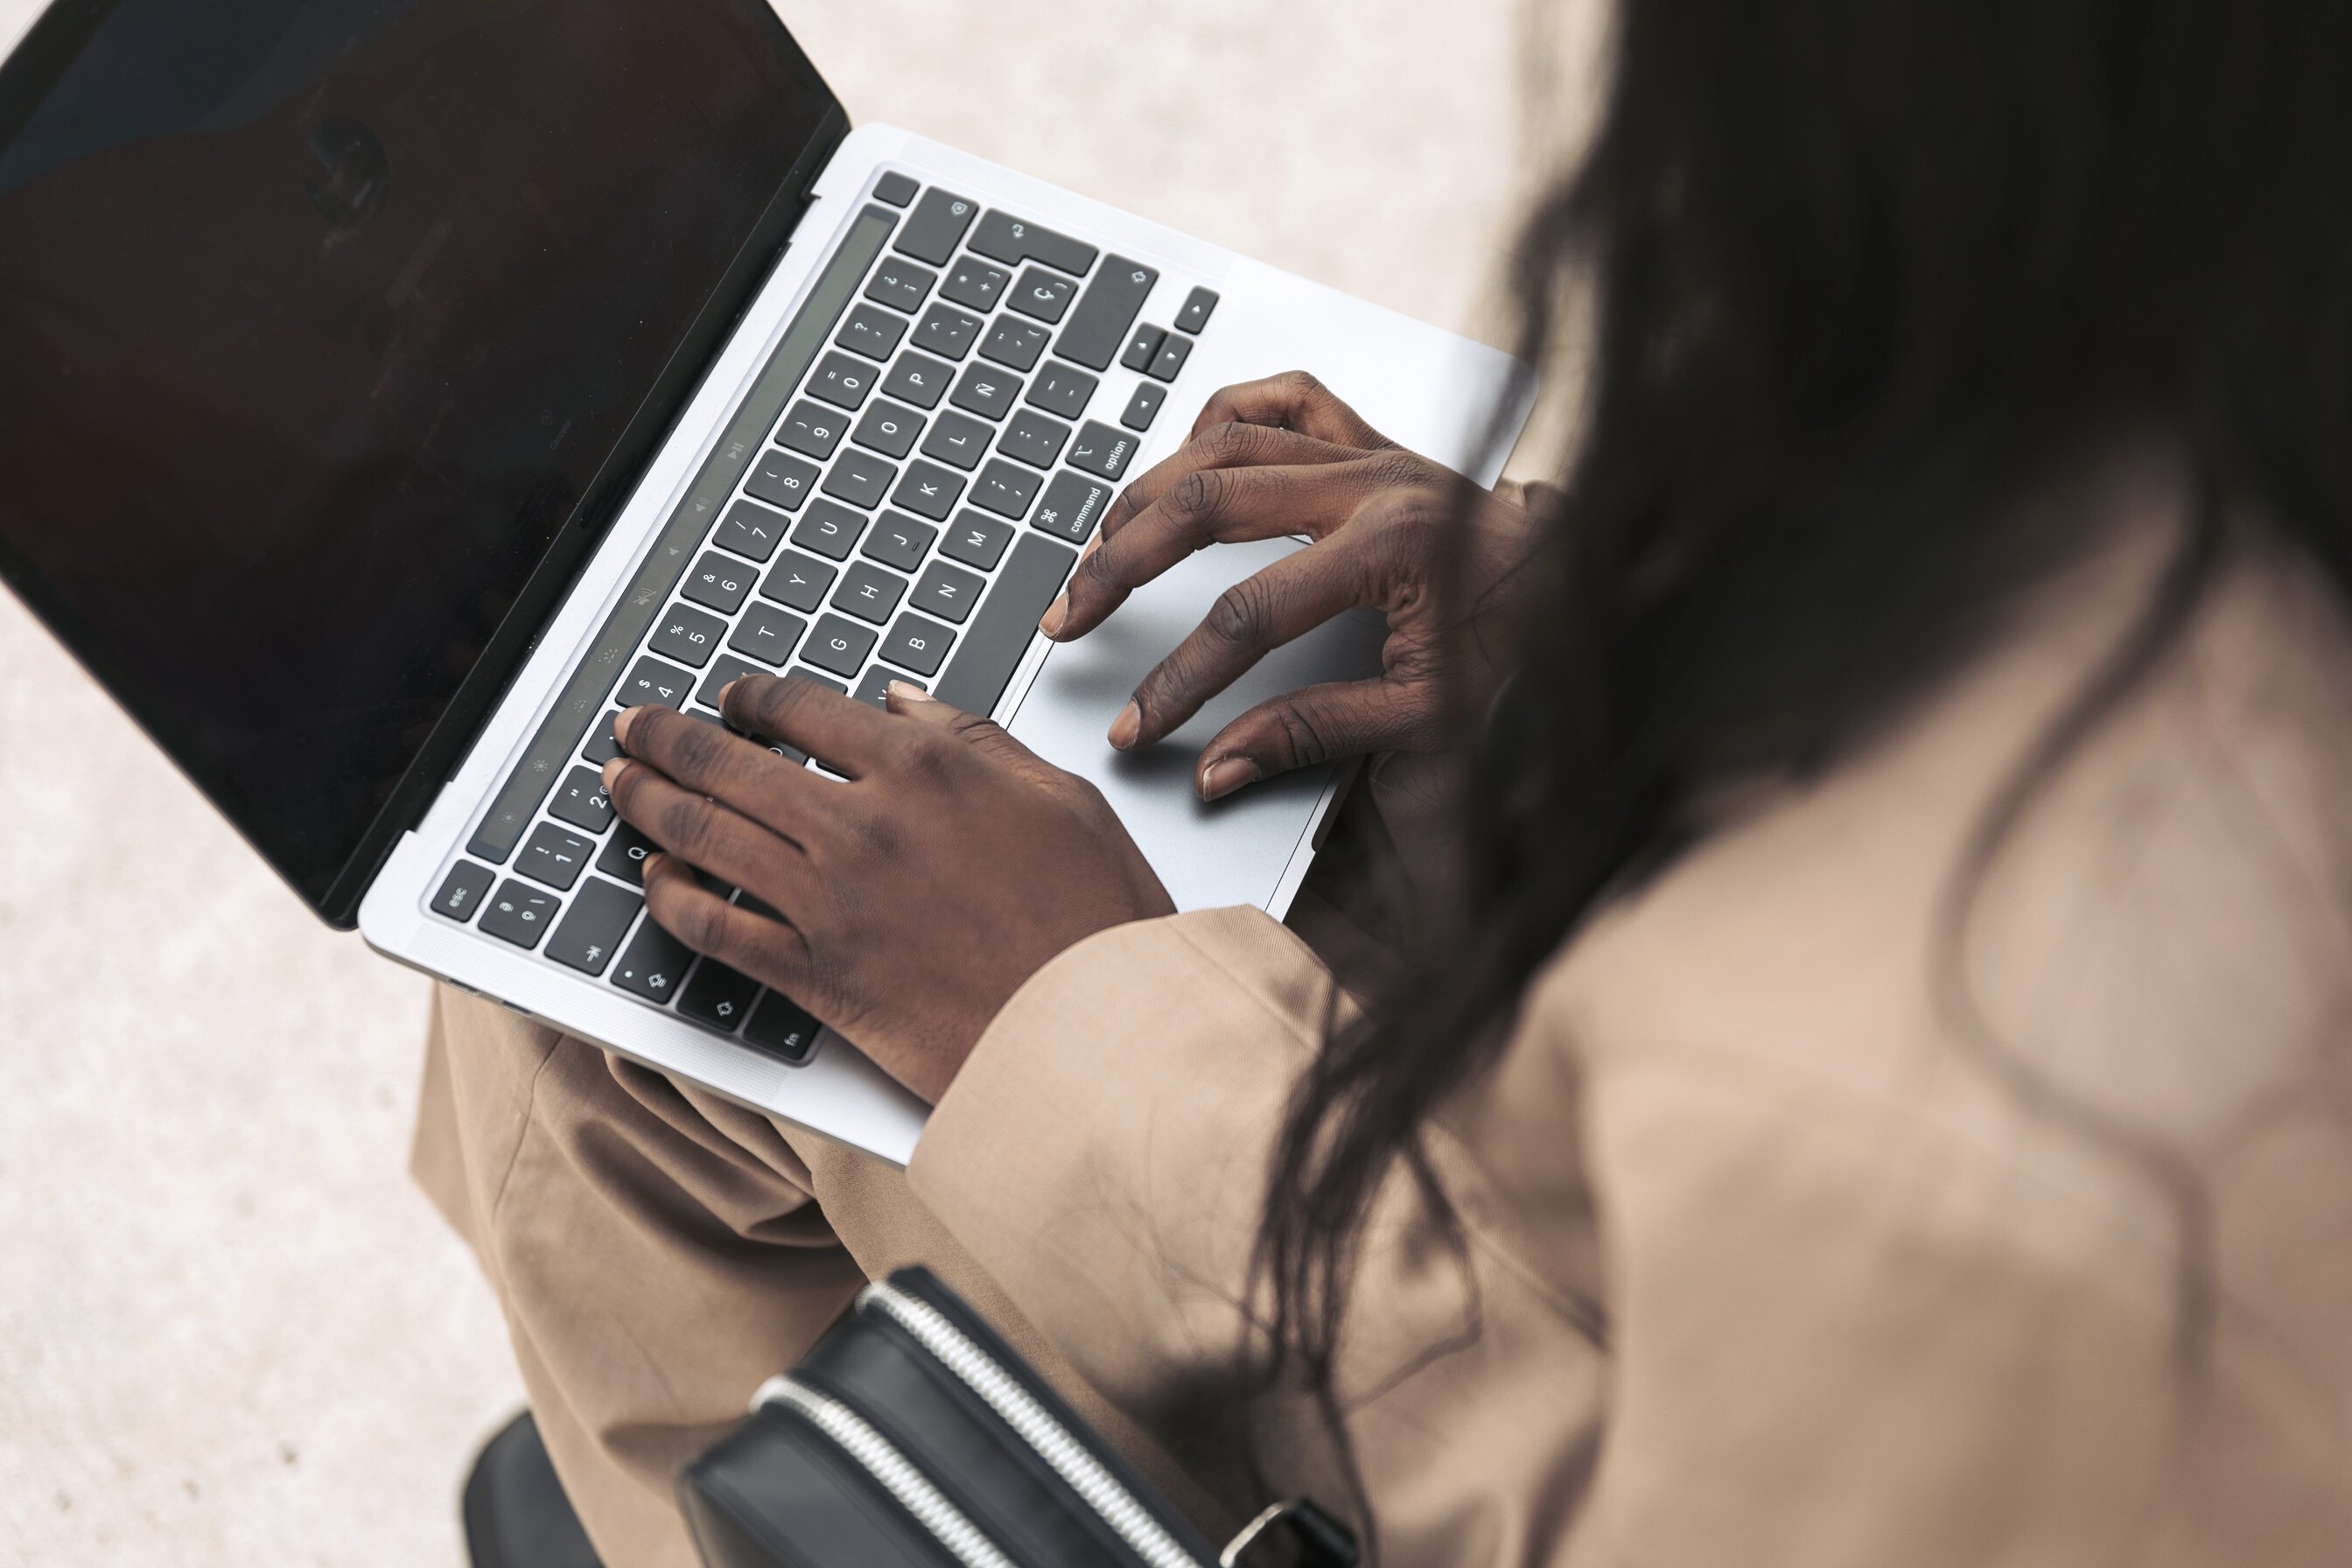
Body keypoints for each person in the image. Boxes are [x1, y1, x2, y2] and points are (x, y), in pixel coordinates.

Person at [415, 0, 2352, 1562]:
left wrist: (1066, 1005)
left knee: (606, 1001)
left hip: (1610, 1384)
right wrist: (1597, 624)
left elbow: (1580, 1482)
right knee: (748, 851)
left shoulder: (2015, 1142)